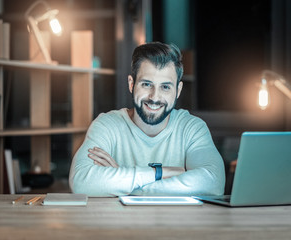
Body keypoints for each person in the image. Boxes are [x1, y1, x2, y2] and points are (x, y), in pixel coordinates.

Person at [69, 42, 225, 197]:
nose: (155, 97)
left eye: (165, 87)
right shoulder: (107, 125)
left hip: (176, 222)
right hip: (121, 221)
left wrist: (126, 185)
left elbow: (213, 183)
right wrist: (160, 173)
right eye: (146, 84)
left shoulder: (192, 128)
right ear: (132, 84)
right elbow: (80, 182)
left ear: (178, 90)